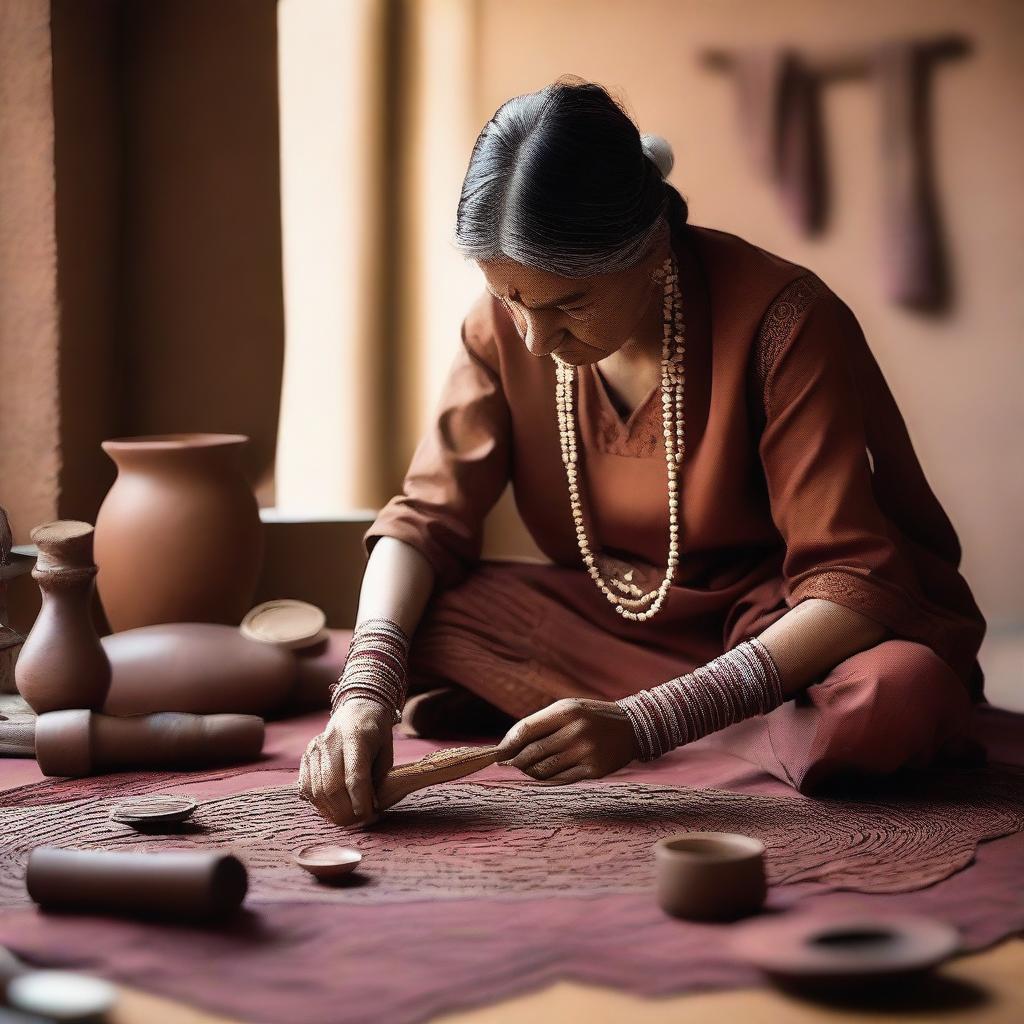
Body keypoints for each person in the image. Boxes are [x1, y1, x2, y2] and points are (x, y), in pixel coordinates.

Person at [297, 78, 986, 826]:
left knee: (894, 696)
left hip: (779, 632)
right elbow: (425, 519)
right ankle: (711, 733)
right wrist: (365, 696)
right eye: (513, 300)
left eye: (568, 305)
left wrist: (649, 720)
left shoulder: (785, 320)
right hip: (608, 625)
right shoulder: (503, 329)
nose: (537, 341)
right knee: (405, 622)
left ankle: (651, 720)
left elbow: (853, 581)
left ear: (652, 247)